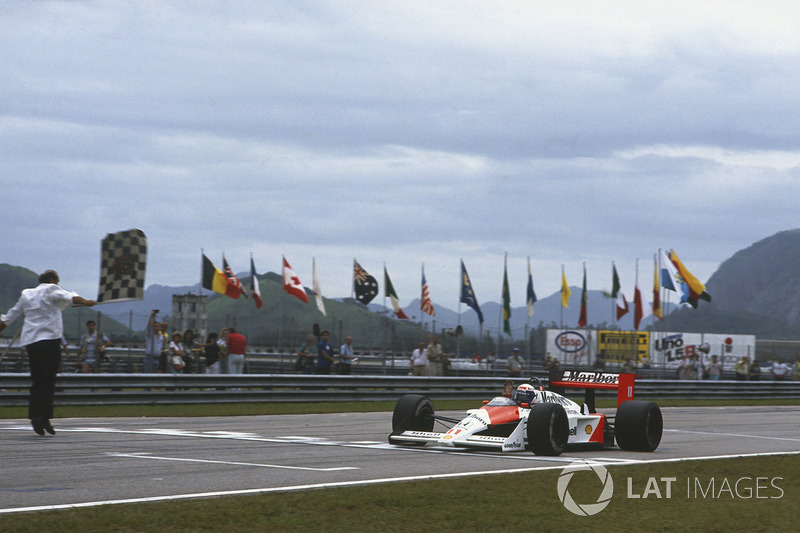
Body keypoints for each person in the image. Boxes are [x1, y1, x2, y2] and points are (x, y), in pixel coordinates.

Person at [0, 270, 96, 436]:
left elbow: (10, 316)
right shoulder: (51, 289)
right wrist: (86, 301)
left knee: (37, 380)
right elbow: (70, 298)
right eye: (57, 281)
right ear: (52, 280)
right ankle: (44, 417)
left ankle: (35, 416)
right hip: (50, 341)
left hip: (31, 342)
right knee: (48, 380)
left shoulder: (27, 294)